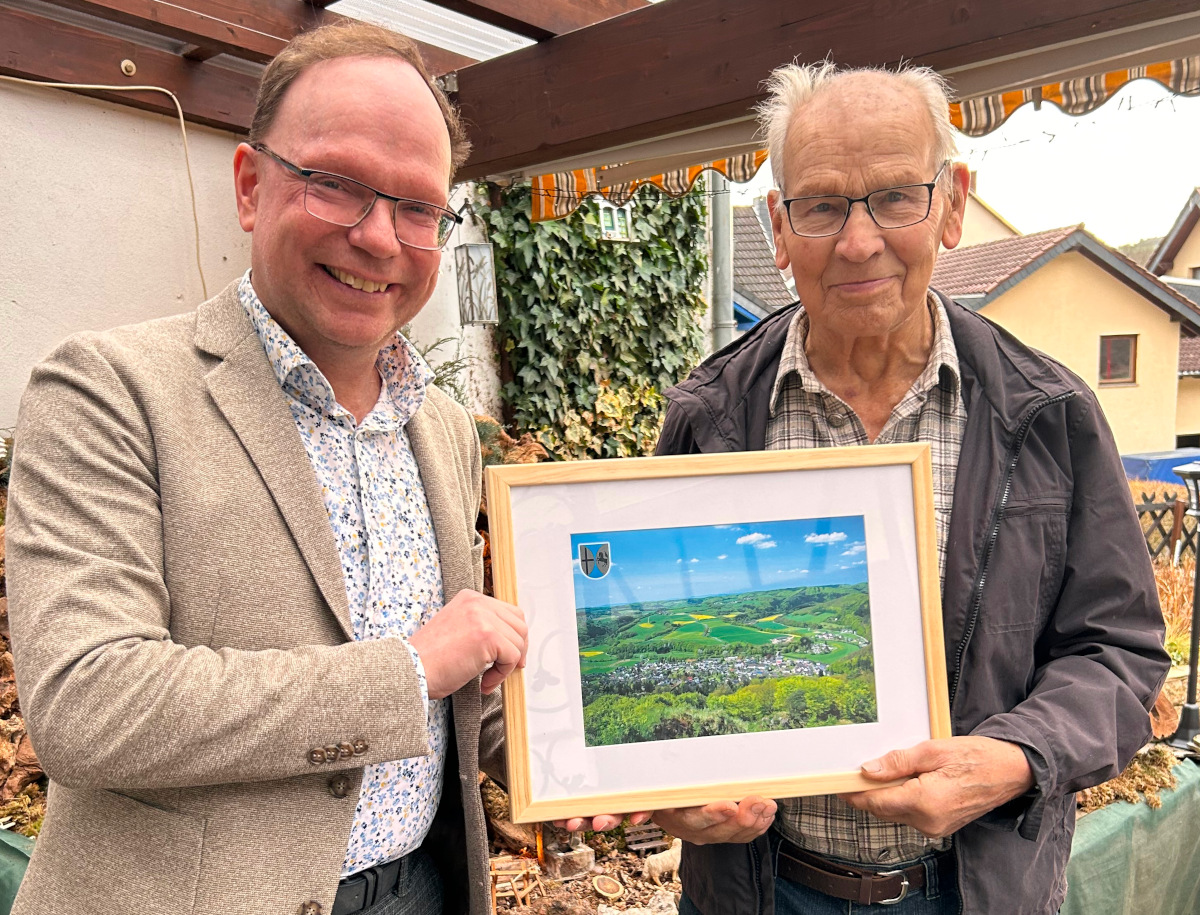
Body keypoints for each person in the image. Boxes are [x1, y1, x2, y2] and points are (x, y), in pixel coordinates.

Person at [6, 20, 526, 915]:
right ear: (251, 186)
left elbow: (453, 704)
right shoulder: (107, 389)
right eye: (337, 185)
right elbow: (88, 704)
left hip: (425, 890)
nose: (379, 238)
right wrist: (407, 669)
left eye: (418, 207)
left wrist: (610, 754)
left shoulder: (444, 428)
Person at [647, 61, 1170, 914]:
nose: (858, 242)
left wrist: (1014, 756)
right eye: (821, 206)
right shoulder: (710, 415)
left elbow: (1120, 653)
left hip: (973, 888)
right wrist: (671, 779)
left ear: (953, 203)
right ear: (778, 228)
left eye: (896, 196)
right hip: (763, 889)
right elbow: (668, 639)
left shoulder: (1051, 415)